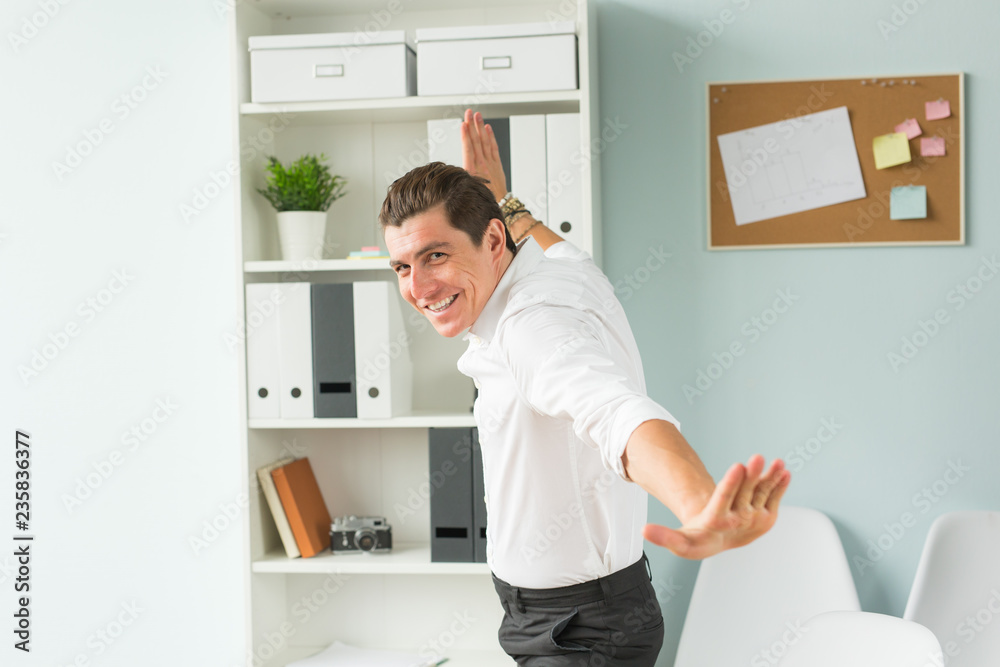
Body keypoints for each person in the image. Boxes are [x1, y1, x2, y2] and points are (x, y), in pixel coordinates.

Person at [379, 109, 791, 666]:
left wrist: (697, 504)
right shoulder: (560, 269)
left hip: (579, 633)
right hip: (570, 615)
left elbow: (615, 411)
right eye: (402, 266)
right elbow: (554, 245)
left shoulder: (530, 329)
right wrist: (503, 198)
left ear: (493, 240)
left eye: (436, 255)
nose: (419, 287)